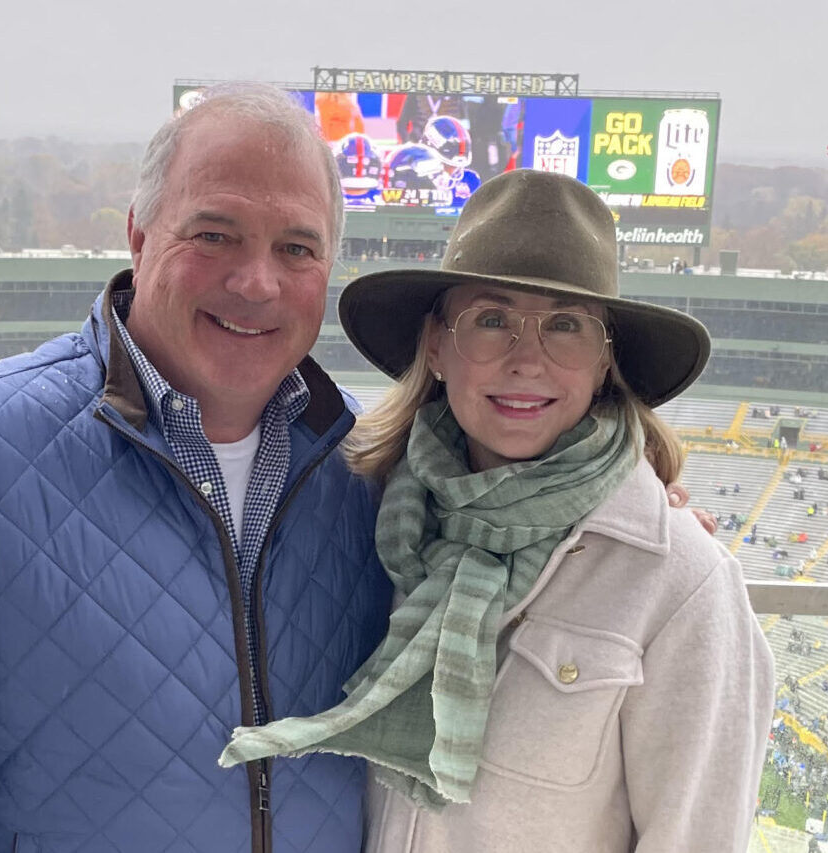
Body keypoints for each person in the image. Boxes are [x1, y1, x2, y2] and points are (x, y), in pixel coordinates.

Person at [0, 82, 395, 852]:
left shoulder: (367, 473)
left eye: (297, 248)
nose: (257, 282)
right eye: (214, 235)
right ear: (139, 237)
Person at [219, 170, 770, 850]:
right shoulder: (369, 514)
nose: (527, 360)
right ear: (436, 346)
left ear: (604, 361)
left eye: (565, 326)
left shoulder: (679, 583)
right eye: (492, 320)